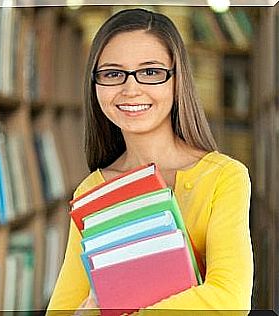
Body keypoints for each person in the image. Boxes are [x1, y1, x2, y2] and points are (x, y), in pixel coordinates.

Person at [47, 8, 253, 313]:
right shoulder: (92, 190)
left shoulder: (224, 177)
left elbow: (229, 301)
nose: (131, 89)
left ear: (176, 79)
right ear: (95, 84)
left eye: (151, 72)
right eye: (113, 73)